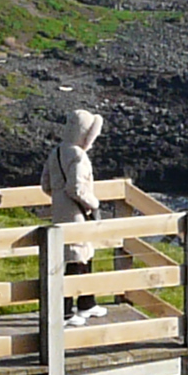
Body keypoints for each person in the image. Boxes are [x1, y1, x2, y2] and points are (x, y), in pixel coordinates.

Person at [41, 107, 105, 321]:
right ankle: (67, 312)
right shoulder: (78, 155)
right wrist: (94, 204)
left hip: (60, 212)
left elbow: (45, 185)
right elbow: (76, 188)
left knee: (76, 258)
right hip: (77, 214)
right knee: (77, 260)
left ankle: (87, 303)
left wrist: (58, 198)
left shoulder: (57, 151)